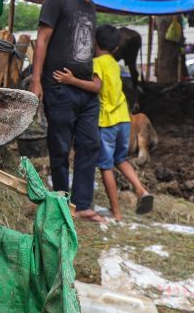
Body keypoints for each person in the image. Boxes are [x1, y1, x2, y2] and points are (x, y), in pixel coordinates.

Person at [29, 0, 114, 222]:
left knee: (90, 145)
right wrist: (36, 81)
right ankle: (63, 203)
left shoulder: (90, 6)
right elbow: (41, 40)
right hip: (58, 85)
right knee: (60, 146)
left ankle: (83, 204)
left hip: (84, 88)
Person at [53, 25, 155, 219]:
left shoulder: (98, 62)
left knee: (106, 166)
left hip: (107, 121)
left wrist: (71, 80)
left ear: (94, 43)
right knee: (121, 159)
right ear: (117, 49)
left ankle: (116, 212)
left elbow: (96, 86)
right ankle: (142, 190)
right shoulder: (115, 64)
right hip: (124, 118)